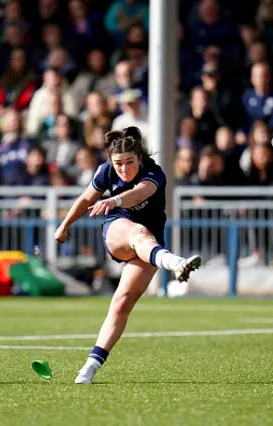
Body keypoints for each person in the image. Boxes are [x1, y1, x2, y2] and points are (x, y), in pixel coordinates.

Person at [54, 126, 201, 385]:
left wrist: (115, 199)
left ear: (140, 159)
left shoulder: (154, 172)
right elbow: (85, 199)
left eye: (129, 163)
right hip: (118, 230)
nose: (123, 169)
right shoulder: (105, 171)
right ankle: (176, 263)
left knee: (122, 303)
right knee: (136, 232)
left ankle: (88, 368)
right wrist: (64, 226)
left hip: (151, 247)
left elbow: (140, 193)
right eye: (118, 164)